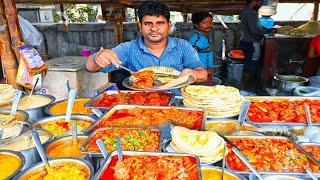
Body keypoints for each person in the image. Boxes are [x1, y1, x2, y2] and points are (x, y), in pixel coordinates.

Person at [86, 1, 207, 84]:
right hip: (141, 107)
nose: (154, 28)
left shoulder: (183, 46)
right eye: (148, 24)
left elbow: (203, 74)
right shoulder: (128, 48)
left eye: (160, 23)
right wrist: (97, 57)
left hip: (177, 105)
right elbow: (90, 68)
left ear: (169, 25)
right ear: (140, 26)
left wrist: (192, 73)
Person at [238, 0, 264, 88]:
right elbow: (255, 30)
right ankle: (247, 87)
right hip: (251, 42)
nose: (261, 4)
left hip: (245, 41)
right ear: (254, 1)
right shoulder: (251, 13)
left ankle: (244, 86)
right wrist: (264, 33)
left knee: (247, 63)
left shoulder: (245, 11)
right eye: (260, 2)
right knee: (251, 64)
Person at [188, 12, 214, 82]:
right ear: (196, 25)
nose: (209, 25)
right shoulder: (196, 39)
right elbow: (189, 59)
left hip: (206, 72)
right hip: (199, 75)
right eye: (204, 22)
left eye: (210, 22)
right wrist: (206, 71)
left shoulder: (203, 37)